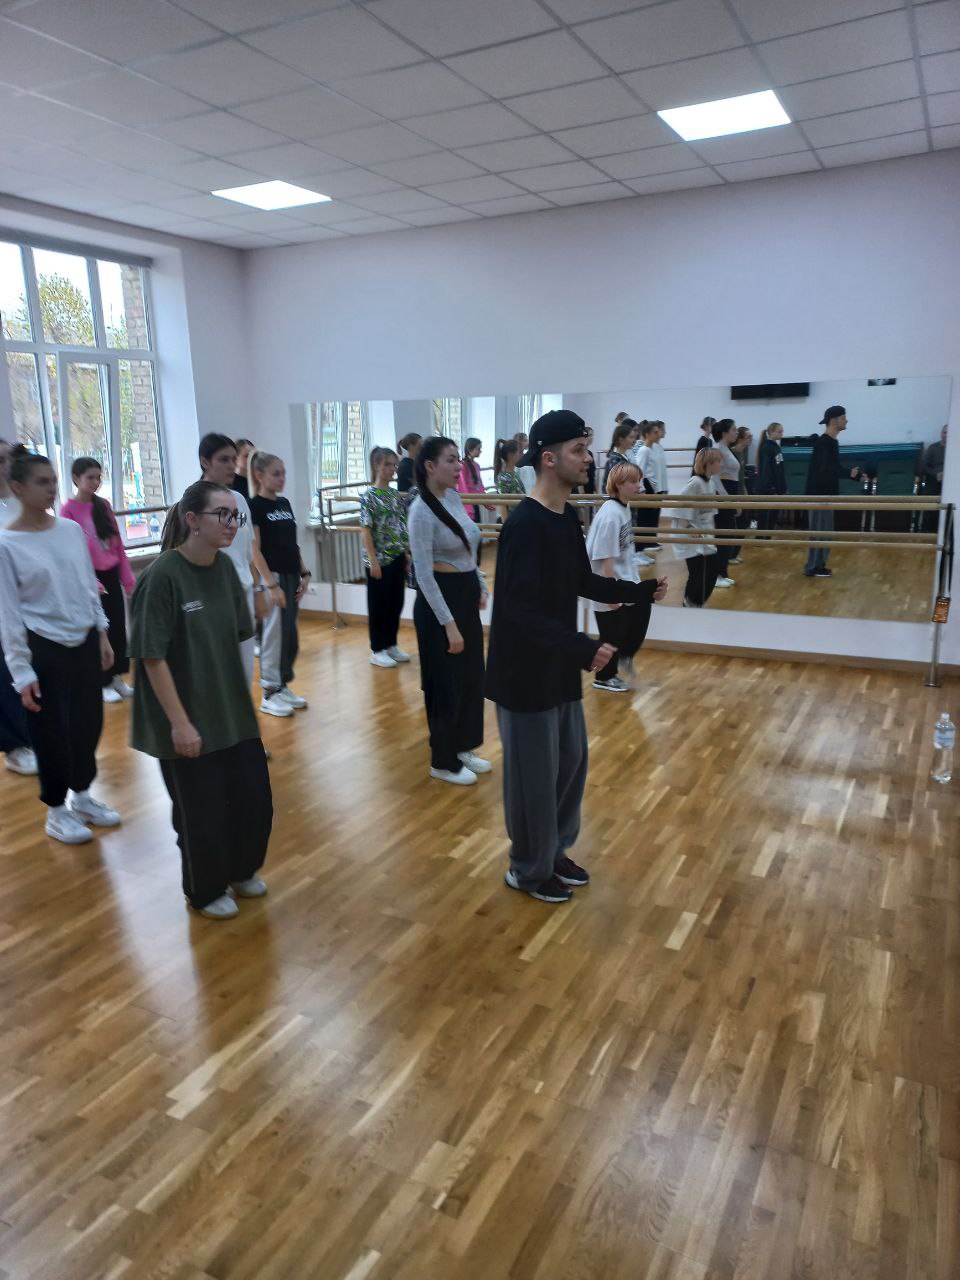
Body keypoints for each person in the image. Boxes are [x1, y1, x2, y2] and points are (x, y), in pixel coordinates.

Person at [486, 411, 666, 904]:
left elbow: (581, 580)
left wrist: (637, 592)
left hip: (558, 664)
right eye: (579, 451)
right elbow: (516, 612)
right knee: (533, 779)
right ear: (549, 459)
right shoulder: (524, 525)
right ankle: (528, 868)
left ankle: (553, 850)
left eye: (587, 449)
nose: (589, 459)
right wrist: (584, 647)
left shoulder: (566, 517)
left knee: (571, 762)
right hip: (523, 675)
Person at [129, 480, 272, 921]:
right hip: (184, 717)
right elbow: (152, 657)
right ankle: (205, 890)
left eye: (236, 516)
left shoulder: (225, 569)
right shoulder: (162, 577)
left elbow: (237, 637)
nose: (232, 524)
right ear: (192, 520)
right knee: (201, 814)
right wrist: (180, 723)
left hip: (229, 711)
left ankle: (241, 870)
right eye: (221, 515)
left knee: (254, 801)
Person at [0, 446, 120, 845]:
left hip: (83, 638)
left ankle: (82, 796)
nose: (52, 488)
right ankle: (56, 810)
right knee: (51, 731)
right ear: (18, 487)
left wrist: (101, 632)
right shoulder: (6, 543)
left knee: (89, 722)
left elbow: (87, 584)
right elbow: (8, 614)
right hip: (42, 644)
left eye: (53, 480)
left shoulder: (69, 530)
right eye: (42, 482)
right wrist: (21, 672)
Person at [408, 436, 489, 786]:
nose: (459, 467)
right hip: (439, 604)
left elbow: (469, 547)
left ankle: (462, 746)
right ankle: (442, 760)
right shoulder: (420, 511)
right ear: (430, 466)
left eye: (459, 459)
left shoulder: (453, 497)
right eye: (451, 460)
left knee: (470, 677)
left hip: (464, 594)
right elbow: (424, 575)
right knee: (445, 683)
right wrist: (449, 625)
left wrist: (480, 583)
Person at [198, 433, 280, 692]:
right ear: (205, 462)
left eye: (234, 460)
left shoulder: (239, 499)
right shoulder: (193, 501)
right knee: (218, 675)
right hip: (212, 596)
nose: (231, 466)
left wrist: (258, 590)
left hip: (243, 593)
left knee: (244, 673)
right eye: (223, 460)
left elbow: (248, 550)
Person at [61, 457, 136, 704]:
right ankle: (102, 681)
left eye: (98, 477)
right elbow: (71, 551)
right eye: (90, 477)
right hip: (89, 578)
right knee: (99, 630)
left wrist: (127, 578)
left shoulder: (103, 505)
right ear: (76, 479)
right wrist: (91, 581)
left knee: (117, 627)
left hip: (110, 574)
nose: (95, 482)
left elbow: (118, 545)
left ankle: (116, 677)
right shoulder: (68, 510)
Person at [585, 462, 659, 692]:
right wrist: (610, 595)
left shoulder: (623, 507)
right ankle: (604, 677)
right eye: (633, 482)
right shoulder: (611, 514)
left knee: (642, 608)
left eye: (639, 481)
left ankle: (625, 655)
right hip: (606, 582)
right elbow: (604, 556)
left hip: (623, 580)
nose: (639, 486)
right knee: (612, 635)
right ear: (618, 485)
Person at [249, 451, 310, 716]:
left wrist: (304, 572)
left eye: (283, 473)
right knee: (274, 636)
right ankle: (269, 692)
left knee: (289, 635)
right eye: (276, 474)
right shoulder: (255, 506)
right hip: (272, 577)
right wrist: (270, 585)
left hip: (291, 574)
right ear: (259, 476)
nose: (282, 478)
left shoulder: (284, 503)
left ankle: (282, 685)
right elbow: (255, 550)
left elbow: (292, 544)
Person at [0, 438, 37, 778]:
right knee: (6, 675)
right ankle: (15, 746)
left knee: (27, 673)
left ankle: (30, 737)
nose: (5, 466)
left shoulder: (16, 505)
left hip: (27, 605)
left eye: (7, 459)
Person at [360, 446, 411, 669]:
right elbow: (366, 530)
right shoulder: (369, 497)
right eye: (387, 465)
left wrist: (405, 552)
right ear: (376, 466)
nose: (392, 469)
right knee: (378, 605)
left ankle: (391, 643)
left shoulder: (395, 495)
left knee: (395, 602)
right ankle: (377, 648)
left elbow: (401, 525)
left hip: (397, 555)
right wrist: (373, 560)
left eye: (394, 465)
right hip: (379, 560)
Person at [803, 405, 861, 579]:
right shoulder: (824, 442)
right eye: (843, 418)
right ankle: (813, 567)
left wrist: (853, 474)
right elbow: (826, 468)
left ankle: (819, 565)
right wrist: (849, 473)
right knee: (819, 533)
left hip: (826, 494)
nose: (846, 421)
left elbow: (832, 467)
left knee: (825, 533)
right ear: (834, 421)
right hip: (819, 495)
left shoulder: (831, 442)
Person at [671, 448, 725, 608]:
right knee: (699, 573)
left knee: (709, 571)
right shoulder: (695, 483)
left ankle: (692, 604)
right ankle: (691, 604)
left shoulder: (710, 483)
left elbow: (709, 514)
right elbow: (679, 506)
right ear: (708, 464)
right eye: (718, 462)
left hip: (703, 534)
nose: (721, 465)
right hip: (689, 535)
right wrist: (688, 528)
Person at [710, 419, 740, 586]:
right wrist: (727, 498)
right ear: (724, 433)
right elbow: (715, 478)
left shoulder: (725, 448)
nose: (736, 432)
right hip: (723, 495)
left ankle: (722, 572)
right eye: (734, 430)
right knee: (724, 535)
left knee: (728, 534)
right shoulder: (718, 449)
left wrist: (735, 499)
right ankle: (716, 576)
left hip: (729, 492)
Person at [631, 421, 661, 563]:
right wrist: (641, 490)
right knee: (642, 520)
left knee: (647, 520)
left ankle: (641, 550)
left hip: (651, 487)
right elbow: (640, 471)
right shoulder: (644, 450)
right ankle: (637, 552)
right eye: (655, 432)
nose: (658, 434)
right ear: (647, 434)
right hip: (645, 487)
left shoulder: (651, 449)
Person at [755, 422, 786, 534]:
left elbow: (779, 469)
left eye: (782, 431)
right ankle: (761, 539)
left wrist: (782, 487)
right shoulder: (767, 448)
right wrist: (772, 488)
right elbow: (766, 470)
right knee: (765, 519)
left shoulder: (775, 447)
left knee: (772, 518)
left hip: (775, 488)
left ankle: (767, 538)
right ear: (771, 432)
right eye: (779, 431)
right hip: (768, 490)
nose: (782, 434)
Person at [920, 425, 947, 533]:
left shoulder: (956, 449)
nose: (946, 435)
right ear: (941, 433)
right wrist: (936, 474)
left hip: (951, 481)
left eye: (948, 433)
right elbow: (924, 466)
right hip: (933, 480)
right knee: (931, 496)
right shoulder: (933, 448)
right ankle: (927, 531)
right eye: (944, 432)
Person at [602, 419, 636, 489]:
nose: (634, 440)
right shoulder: (615, 460)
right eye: (631, 437)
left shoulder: (623, 457)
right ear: (621, 439)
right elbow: (617, 486)